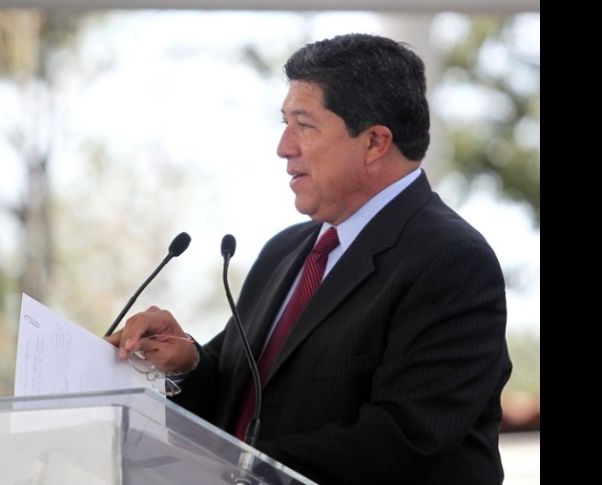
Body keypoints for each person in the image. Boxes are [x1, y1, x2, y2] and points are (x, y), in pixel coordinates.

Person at [107, 33, 512, 485]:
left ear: (375, 142)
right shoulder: (284, 250)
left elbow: (405, 441)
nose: (283, 146)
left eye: (304, 125)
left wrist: (234, 470)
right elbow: (239, 394)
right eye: (285, 123)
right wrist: (186, 363)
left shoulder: (452, 260)